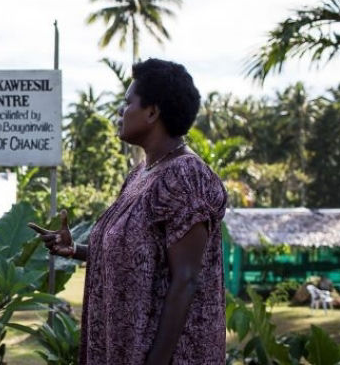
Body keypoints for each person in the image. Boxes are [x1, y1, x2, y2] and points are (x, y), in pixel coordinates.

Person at [30, 59, 227, 364]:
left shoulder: (186, 175)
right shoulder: (140, 176)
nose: (120, 112)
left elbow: (186, 278)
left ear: (152, 111)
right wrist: (77, 250)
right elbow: (142, 256)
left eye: (127, 102)